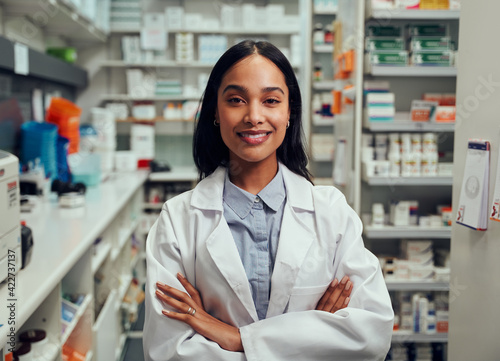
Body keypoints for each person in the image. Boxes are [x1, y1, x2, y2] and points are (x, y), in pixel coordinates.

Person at [143, 40, 394, 361]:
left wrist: (236, 338)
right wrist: (311, 334)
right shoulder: (178, 220)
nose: (254, 116)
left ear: (290, 112)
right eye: (236, 100)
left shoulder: (331, 212)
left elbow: (371, 334)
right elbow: (167, 351)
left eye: (271, 100)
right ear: (215, 113)